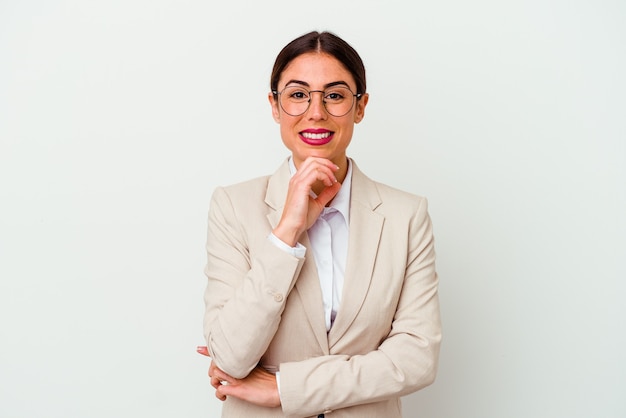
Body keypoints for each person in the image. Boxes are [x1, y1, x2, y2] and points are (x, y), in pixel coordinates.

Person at [197, 30, 441, 417]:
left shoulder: (406, 215)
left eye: (335, 95)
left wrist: (284, 388)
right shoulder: (233, 206)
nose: (316, 112)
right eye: (297, 95)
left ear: (359, 107)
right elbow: (230, 357)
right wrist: (287, 232)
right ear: (275, 107)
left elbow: (417, 358)